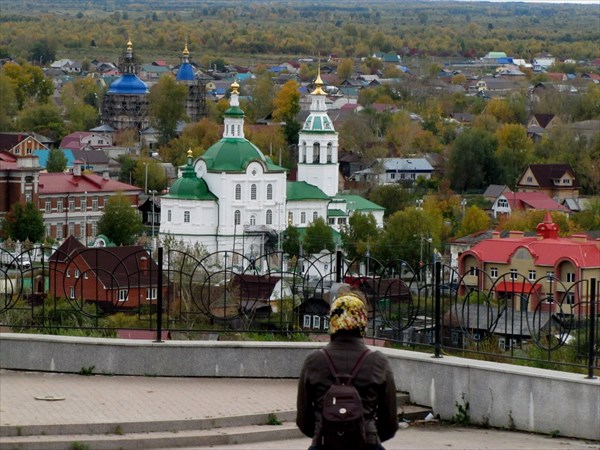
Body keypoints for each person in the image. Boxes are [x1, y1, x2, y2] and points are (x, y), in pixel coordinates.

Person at [296, 293, 399, 450]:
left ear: (332, 321)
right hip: (368, 443)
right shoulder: (378, 362)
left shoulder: (314, 361)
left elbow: (303, 419)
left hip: (324, 443)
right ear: (363, 321)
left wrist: (330, 434)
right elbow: (390, 422)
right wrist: (367, 435)